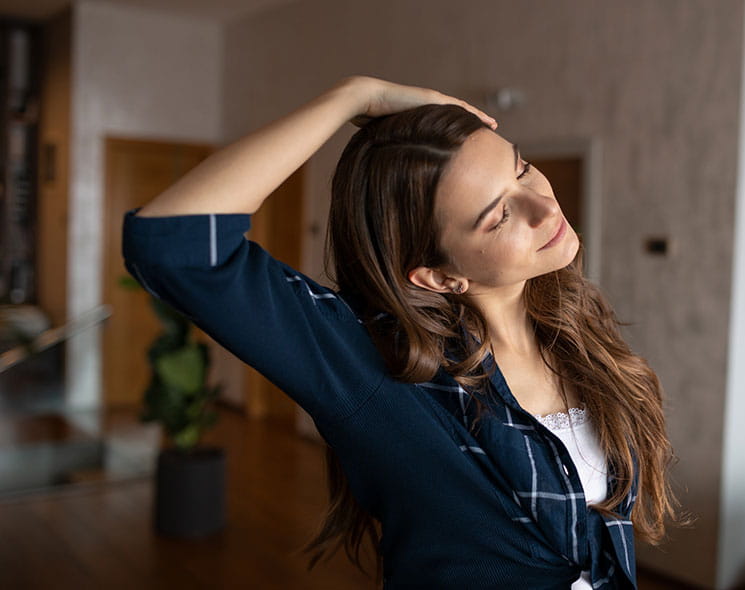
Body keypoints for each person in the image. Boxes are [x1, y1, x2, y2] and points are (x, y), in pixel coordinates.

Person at [122, 75, 684, 589]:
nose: (543, 204)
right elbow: (175, 247)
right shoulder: (377, 370)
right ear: (440, 275)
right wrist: (353, 97)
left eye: (520, 168)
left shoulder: (573, 326)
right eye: (499, 215)